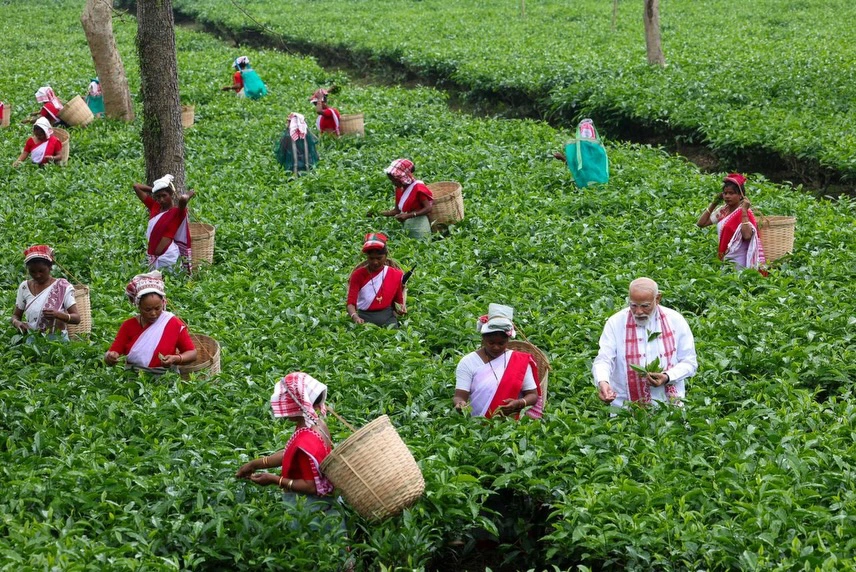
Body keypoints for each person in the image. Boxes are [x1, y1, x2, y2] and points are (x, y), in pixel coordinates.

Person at [236, 372, 347, 538]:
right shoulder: (317, 424)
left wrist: (274, 480)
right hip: (329, 505)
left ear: (298, 405)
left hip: (312, 509)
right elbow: (289, 453)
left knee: (319, 552)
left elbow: (309, 486)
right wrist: (255, 464)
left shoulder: (305, 441)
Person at [592, 278, 697, 407]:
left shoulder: (675, 320)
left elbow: (689, 362)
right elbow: (604, 359)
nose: (639, 312)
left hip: (669, 405)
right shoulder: (616, 323)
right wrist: (603, 381)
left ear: (657, 299)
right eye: (633, 305)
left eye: (645, 306)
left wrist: (667, 376)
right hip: (626, 405)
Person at [453, 304, 544, 419]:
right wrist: (460, 404)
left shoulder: (519, 361)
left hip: (511, 425)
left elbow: (532, 395)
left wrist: (520, 403)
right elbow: (459, 396)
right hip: (476, 424)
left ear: (508, 340)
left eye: (501, 343)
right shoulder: (468, 362)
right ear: (483, 339)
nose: (496, 347)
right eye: (491, 343)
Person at [104, 271, 197, 372]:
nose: (153, 313)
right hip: (134, 378)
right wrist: (110, 357)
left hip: (166, 379)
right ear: (138, 306)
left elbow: (192, 353)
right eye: (147, 309)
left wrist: (176, 358)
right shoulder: (128, 326)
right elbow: (113, 352)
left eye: (157, 308)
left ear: (163, 303)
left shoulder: (173, 323)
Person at [697, 173, 767, 271]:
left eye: (731, 193)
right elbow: (701, 223)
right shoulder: (723, 211)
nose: (727, 196)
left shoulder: (746, 212)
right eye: (725, 193)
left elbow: (747, 236)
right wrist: (714, 203)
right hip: (725, 260)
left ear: (740, 195)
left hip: (740, 262)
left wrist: (744, 211)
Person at [11, 245, 80, 340]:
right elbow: (16, 315)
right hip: (32, 340)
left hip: (58, 341)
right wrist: (17, 323)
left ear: (50, 267)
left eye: (41, 271)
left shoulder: (62, 286)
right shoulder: (24, 287)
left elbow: (76, 318)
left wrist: (58, 315)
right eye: (33, 272)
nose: (37, 275)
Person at [132, 174, 193, 272]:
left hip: (169, 257)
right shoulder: (154, 207)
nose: (161, 200)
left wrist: (191, 192)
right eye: (158, 197)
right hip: (152, 257)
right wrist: (155, 189)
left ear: (171, 194)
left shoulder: (177, 212)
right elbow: (136, 186)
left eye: (164, 195)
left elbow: (183, 199)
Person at [346, 233, 406, 328]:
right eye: (371, 258)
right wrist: (355, 317)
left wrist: (401, 309)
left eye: (379, 258)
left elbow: (398, 301)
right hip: (364, 318)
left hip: (388, 319)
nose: (375, 262)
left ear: (386, 256)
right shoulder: (358, 275)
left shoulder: (396, 274)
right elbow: (350, 303)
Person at [377, 158, 434, 239]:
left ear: (402, 177)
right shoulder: (399, 189)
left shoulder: (417, 187)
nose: (393, 183)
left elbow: (428, 208)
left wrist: (408, 215)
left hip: (420, 226)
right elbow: (396, 211)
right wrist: (378, 213)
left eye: (394, 180)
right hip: (407, 225)